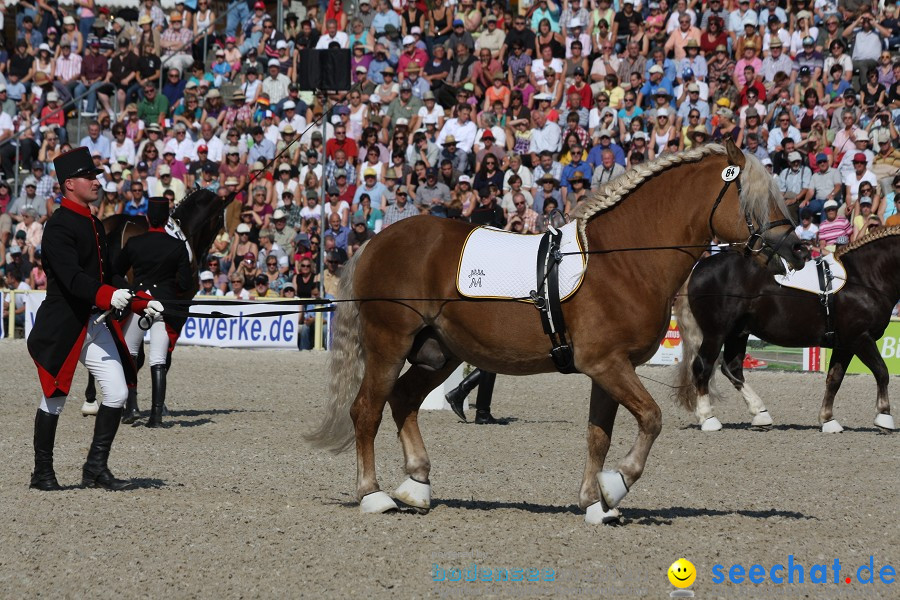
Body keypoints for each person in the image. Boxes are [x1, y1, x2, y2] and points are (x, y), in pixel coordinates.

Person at [27, 146, 161, 492]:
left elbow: (108, 275)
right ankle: (42, 473)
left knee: (116, 392)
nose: (96, 181)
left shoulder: (93, 222)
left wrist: (140, 301)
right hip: (64, 325)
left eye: (95, 176)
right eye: (89, 177)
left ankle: (95, 468)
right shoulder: (58, 227)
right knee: (53, 400)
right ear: (69, 184)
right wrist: (106, 295)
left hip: (94, 322)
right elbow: (72, 278)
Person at [115, 197, 192, 427]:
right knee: (158, 358)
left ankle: (131, 408)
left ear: (147, 218)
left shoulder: (134, 243)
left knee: (130, 353)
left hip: (139, 302)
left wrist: (131, 290)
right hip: (164, 305)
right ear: (168, 220)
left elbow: (115, 271)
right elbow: (186, 284)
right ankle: (156, 416)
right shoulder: (178, 247)